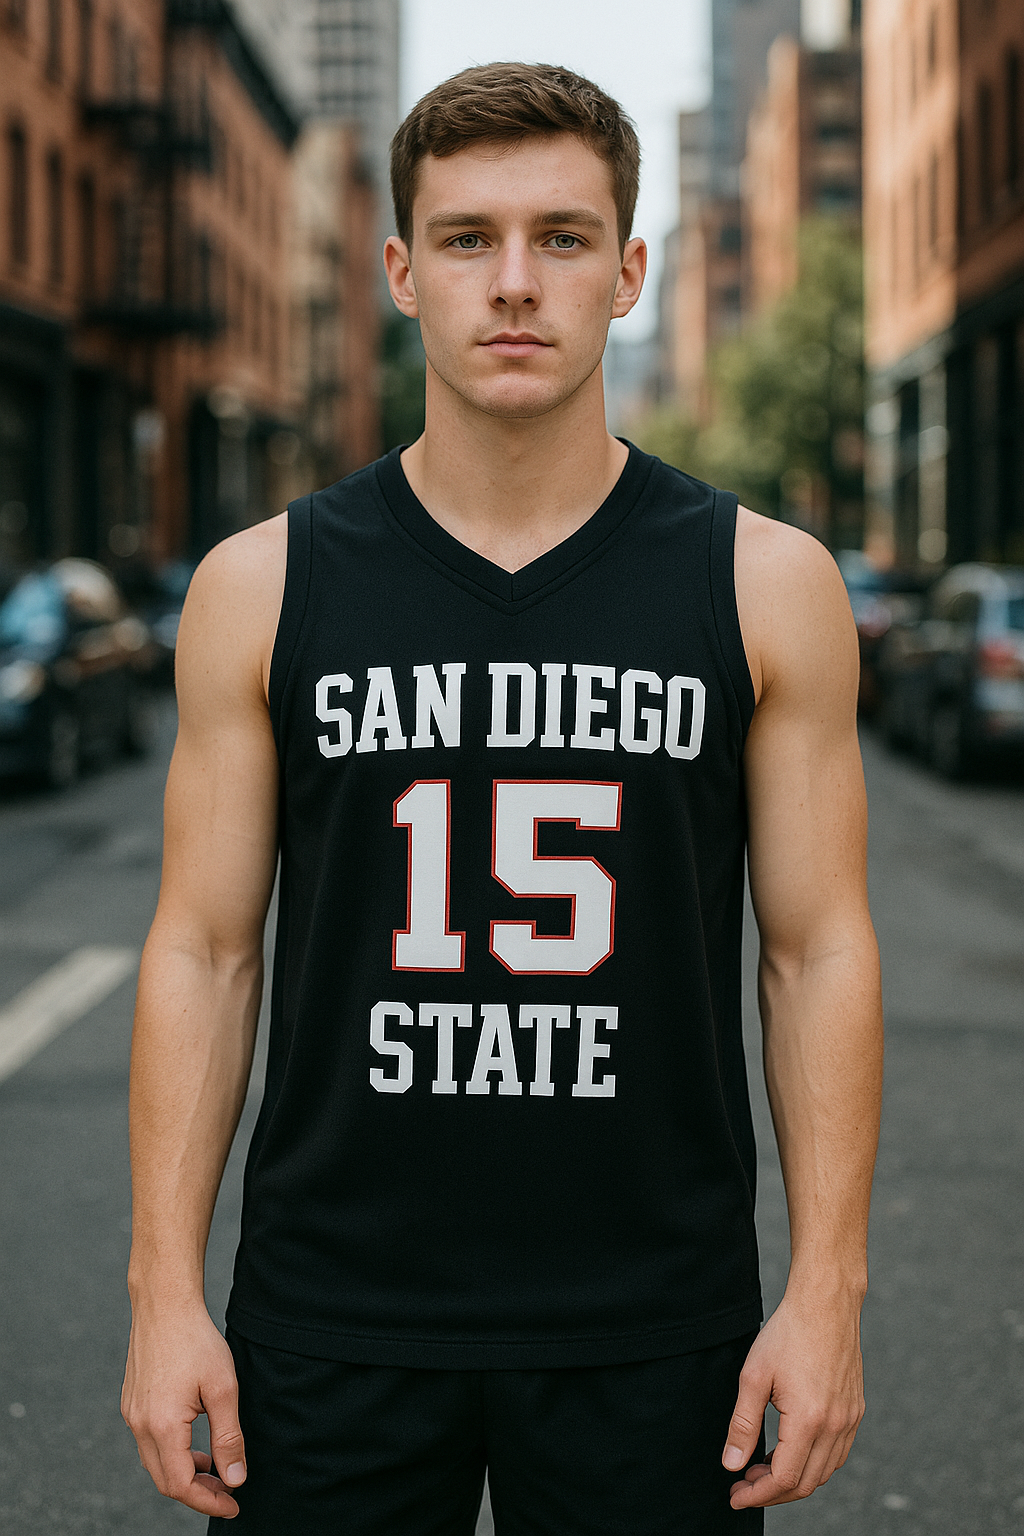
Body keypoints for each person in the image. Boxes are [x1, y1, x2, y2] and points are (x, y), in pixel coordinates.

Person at [121, 62, 883, 1536]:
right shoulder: (263, 585)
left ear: (630, 270)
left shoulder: (766, 584)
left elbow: (818, 950)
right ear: (401, 272)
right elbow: (204, 950)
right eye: (468, 240)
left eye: (563, 237)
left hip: (658, 1328)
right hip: (331, 1315)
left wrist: (828, 1293)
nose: (515, 285)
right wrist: (163, 1296)